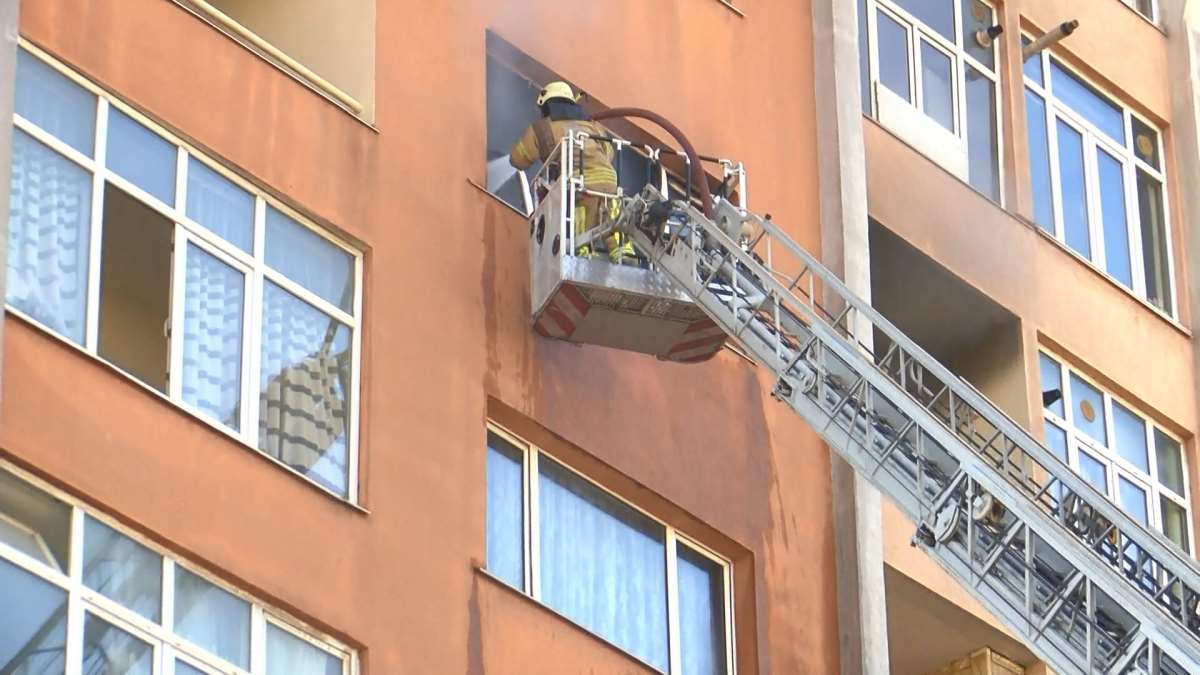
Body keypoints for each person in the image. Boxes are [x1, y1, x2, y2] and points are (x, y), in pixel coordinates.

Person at [509, 81, 635, 262]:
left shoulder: (541, 128)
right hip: (608, 178)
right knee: (609, 216)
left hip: (579, 182)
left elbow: (517, 159)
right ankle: (624, 253)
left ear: (546, 105)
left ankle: (585, 255)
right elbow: (609, 152)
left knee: (582, 218)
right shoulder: (592, 126)